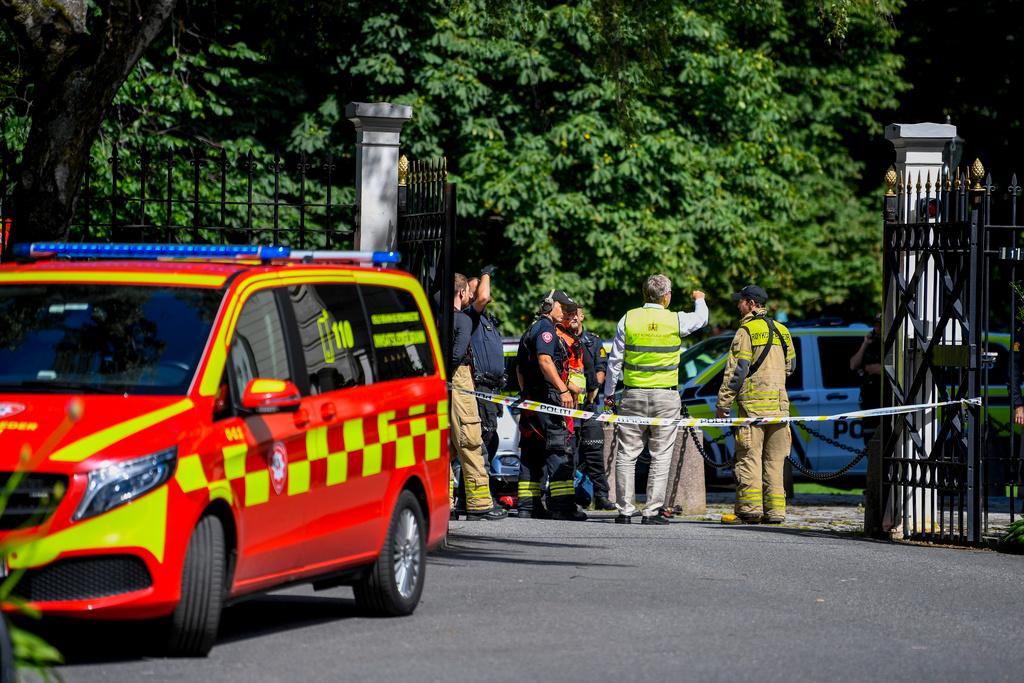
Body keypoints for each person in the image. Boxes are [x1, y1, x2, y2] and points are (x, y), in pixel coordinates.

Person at [603, 274, 708, 525]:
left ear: (644, 294)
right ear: (667, 296)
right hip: (665, 395)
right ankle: (651, 511)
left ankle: (625, 511)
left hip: (633, 394)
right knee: (661, 454)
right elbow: (702, 319)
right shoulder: (675, 319)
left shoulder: (628, 318)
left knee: (627, 453)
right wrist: (700, 299)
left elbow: (614, 362)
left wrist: (608, 394)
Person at [716, 284, 795, 524]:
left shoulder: (746, 332)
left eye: (740, 301)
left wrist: (723, 403)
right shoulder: (783, 330)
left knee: (749, 458)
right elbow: (790, 367)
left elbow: (737, 372)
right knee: (775, 462)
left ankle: (750, 510)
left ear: (751, 304)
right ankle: (775, 512)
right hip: (780, 408)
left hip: (752, 409)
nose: (737, 305)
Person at [515, 289, 587, 521]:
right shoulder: (546, 330)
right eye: (562, 307)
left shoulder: (531, 329)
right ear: (549, 305)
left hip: (531, 403)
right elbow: (545, 361)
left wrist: (526, 394)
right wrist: (563, 389)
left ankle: (528, 505)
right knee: (559, 450)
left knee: (531, 452)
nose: (566, 312)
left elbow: (519, 369)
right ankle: (563, 506)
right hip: (548, 401)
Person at [449, 273, 506, 521]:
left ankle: (447, 503)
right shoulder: (462, 319)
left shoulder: (432, 316)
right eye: (467, 293)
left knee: (446, 445)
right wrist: (487, 272)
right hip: (459, 382)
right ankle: (479, 503)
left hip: (443, 383)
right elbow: (457, 353)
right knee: (471, 440)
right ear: (462, 293)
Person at [572, 305, 615, 510]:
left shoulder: (593, 341)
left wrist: (592, 388)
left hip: (589, 405)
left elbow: (601, 369)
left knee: (594, 455)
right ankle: (567, 498)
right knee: (567, 456)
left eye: (576, 314)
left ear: (582, 316)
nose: (572, 318)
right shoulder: (560, 339)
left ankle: (601, 497)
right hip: (567, 408)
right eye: (568, 314)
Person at [464, 265, 505, 462]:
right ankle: (469, 488)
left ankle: (477, 484)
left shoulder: (486, 320)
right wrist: (485, 273)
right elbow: (482, 298)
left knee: (491, 438)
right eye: (475, 289)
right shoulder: (469, 315)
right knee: (484, 437)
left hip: (492, 388)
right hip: (479, 387)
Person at [849, 313, 882, 445]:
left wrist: (877, 368)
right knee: (869, 439)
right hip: (869, 398)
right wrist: (865, 344)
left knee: (882, 439)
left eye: (880, 325)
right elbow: (853, 365)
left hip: (884, 398)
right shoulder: (869, 343)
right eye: (876, 325)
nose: (878, 329)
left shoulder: (892, 343)